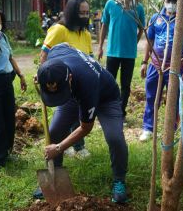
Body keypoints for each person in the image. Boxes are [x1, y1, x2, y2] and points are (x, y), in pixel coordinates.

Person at [37, 43, 128, 203]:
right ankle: (55, 176)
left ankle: (119, 180)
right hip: (73, 93)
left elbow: (86, 127)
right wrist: (44, 77)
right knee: (55, 131)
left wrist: (58, 148)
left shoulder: (87, 82)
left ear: (69, 78)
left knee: (115, 138)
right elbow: (64, 45)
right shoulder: (55, 56)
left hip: (106, 97)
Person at [139, 0, 183, 141]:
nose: (171, 3)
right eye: (169, 0)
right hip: (155, 66)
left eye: (174, 1)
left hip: (176, 67)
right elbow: (149, 40)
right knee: (151, 97)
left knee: (174, 99)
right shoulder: (155, 18)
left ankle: (172, 129)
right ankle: (148, 128)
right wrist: (144, 62)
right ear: (164, 0)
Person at [40, 0, 92, 158]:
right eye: (81, 13)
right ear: (72, 12)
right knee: (62, 120)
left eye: (87, 13)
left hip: (82, 85)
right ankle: (60, 146)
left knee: (80, 116)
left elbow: (90, 58)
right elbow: (44, 54)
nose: (84, 16)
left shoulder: (86, 35)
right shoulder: (59, 30)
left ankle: (78, 146)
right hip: (64, 84)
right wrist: (44, 77)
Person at [97, 0, 145, 120]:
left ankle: (120, 113)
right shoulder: (110, 4)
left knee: (126, 85)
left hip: (129, 55)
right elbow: (104, 25)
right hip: (112, 52)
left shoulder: (138, 8)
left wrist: (134, 42)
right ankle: (107, 110)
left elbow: (141, 28)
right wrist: (100, 47)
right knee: (108, 82)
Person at [0, 4, 27, 174]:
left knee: (9, 120)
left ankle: (6, 152)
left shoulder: (3, 37)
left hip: (7, 83)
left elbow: (10, 57)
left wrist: (21, 75)